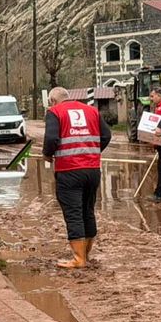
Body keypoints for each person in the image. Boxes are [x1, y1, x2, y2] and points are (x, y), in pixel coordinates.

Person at [43, 87, 112, 268]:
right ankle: (86, 255)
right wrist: (93, 152)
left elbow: (51, 139)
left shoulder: (54, 112)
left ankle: (78, 259)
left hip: (69, 171)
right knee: (87, 211)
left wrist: (47, 155)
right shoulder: (91, 111)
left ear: (52, 100)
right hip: (92, 170)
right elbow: (106, 135)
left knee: (73, 213)